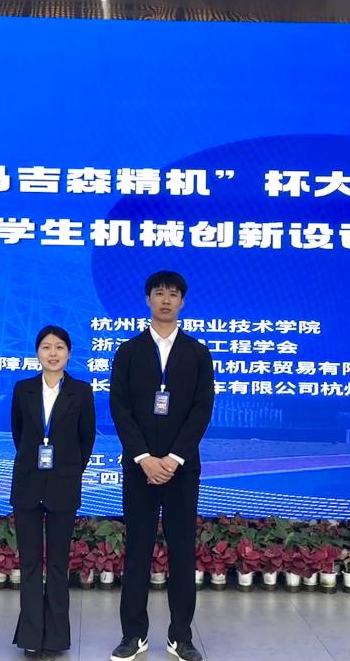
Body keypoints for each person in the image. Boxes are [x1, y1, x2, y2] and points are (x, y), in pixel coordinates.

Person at [108, 271, 214, 661]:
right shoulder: (129, 351)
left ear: (182, 302)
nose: (165, 300)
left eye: (172, 294)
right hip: (140, 468)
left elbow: (202, 409)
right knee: (137, 550)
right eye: (159, 293)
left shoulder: (197, 352)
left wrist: (172, 458)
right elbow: (119, 407)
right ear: (147, 299)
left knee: (182, 551)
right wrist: (144, 458)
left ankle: (181, 636)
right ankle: (133, 635)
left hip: (181, 469)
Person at [9, 325, 97, 660]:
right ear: (37, 353)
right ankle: (31, 636)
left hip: (63, 484)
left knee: (58, 565)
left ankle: (57, 638)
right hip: (28, 484)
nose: (53, 353)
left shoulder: (81, 391)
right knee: (30, 563)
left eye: (59, 347)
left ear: (69, 353)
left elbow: (86, 439)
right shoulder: (24, 389)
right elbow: (19, 433)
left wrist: (69, 470)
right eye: (46, 347)